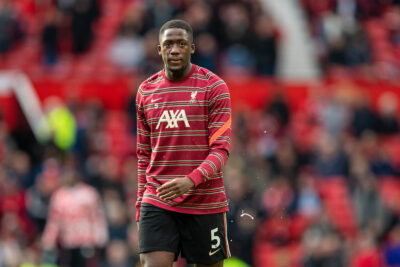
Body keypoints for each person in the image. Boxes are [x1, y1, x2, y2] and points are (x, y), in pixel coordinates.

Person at [136, 19, 232, 267]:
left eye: (181, 44)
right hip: (158, 197)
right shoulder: (145, 92)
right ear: (159, 49)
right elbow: (143, 154)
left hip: (205, 200)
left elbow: (221, 150)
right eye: (168, 44)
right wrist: (140, 205)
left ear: (192, 48)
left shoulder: (214, 87)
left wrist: (191, 180)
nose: (174, 50)